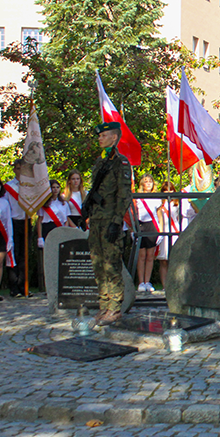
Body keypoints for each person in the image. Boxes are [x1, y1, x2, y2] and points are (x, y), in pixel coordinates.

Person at [86, 122, 133, 327]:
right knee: (98, 265)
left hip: (110, 221)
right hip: (96, 220)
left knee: (111, 265)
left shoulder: (120, 163)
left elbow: (124, 196)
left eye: (104, 135)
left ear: (114, 138)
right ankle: (103, 306)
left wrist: (117, 222)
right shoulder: (100, 162)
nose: (100, 138)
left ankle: (114, 308)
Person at [3, 160, 28, 298]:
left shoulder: (30, 186)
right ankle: (13, 287)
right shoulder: (8, 187)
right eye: (18, 168)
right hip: (13, 221)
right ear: (14, 170)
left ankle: (23, 285)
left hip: (26, 221)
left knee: (24, 255)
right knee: (13, 254)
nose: (20, 171)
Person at [133, 175, 161, 292]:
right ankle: (141, 282)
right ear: (142, 184)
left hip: (152, 226)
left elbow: (159, 215)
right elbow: (134, 214)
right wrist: (133, 230)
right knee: (141, 256)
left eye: (150, 181)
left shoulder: (156, 198)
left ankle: (147, 281)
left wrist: (161, 232)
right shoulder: (138, 198)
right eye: (146, 182)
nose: (148, 184)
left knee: (150, 256)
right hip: (141, 226)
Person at [156, 181, 186, 289]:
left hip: (175, 231)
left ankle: (175, 285)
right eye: (165, 190)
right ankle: (165, 286)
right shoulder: (159, 204)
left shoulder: (177, 203)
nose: (168, 192)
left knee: (175, 259)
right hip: (164, 231)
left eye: (170, 189)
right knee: (164, 260)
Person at [37, 180, 74, 248]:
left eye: (57, 187)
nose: (55, 189)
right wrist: (40, 238)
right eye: (53, 187)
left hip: (59, 228)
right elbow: (39, 220)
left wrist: (65, 230)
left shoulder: (64, 203)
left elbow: (66, 219)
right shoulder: (44, 203)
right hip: (47, 227)